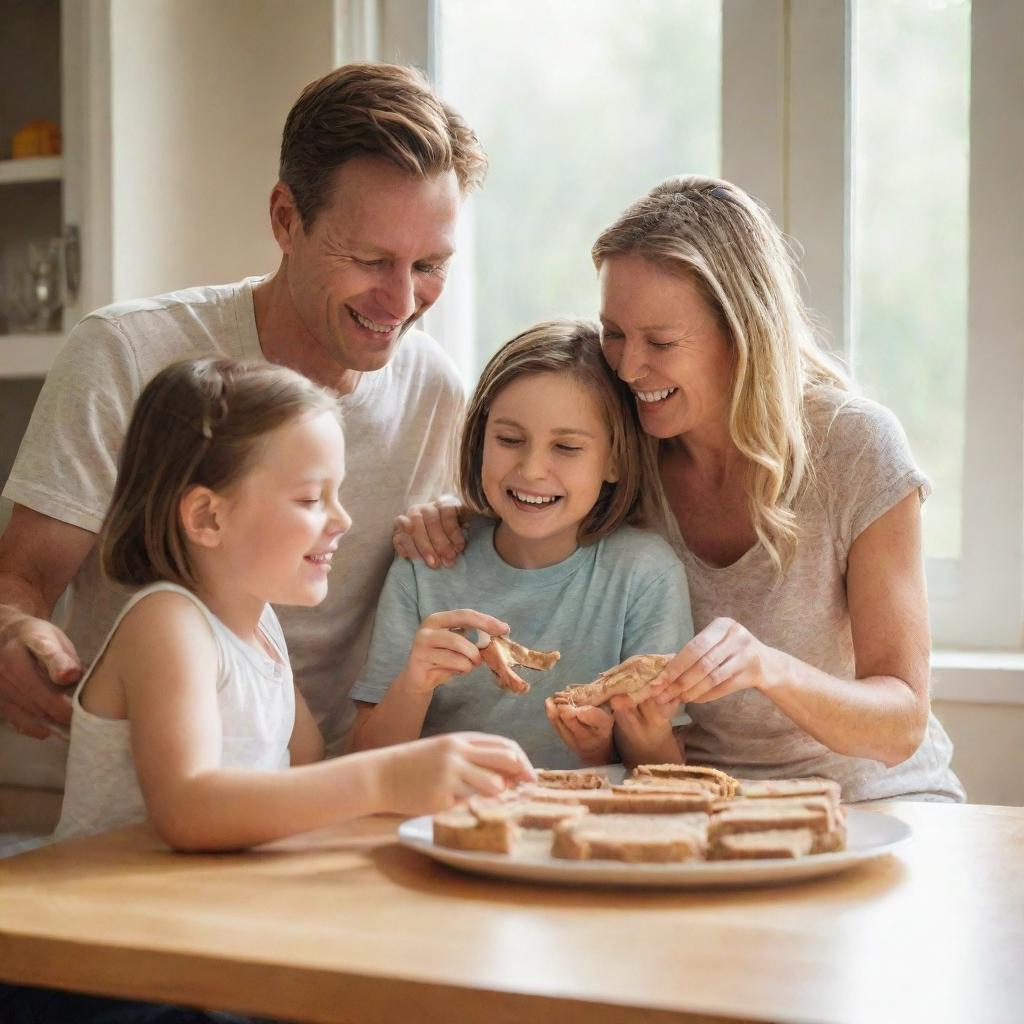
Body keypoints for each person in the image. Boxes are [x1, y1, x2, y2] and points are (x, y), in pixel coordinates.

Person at [396, 176, 964, 803]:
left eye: (661, 342)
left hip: (873, 799)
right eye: (614, 332)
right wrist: (461, 514)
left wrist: (769, 668)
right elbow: (534, 487)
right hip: (694, 800)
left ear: (742, 334)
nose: (629, 367)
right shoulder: (626, 445)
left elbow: (902, 724)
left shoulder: (855, 448)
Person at [0, 62, 483, 791]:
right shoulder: (127, 352)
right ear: (286, 219)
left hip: (301, 798)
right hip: (87, 801)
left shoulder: (437, 393)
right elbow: (21, 576)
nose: (401, 299)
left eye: (431, 265)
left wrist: (461, 524)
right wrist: (13, 632)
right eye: (372, 259)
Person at [54, 357, 532, 849]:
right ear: (208, 518)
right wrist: (386, 778)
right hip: (105, 912)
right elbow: (187, 809)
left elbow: (309, 774)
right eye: (310, 500)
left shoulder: (260, 625)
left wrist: (417, 712)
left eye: (337, 494)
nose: (342, 519)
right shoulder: (167, 625)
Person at [349, 319, 694, 769]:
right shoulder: (427, 564)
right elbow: (365, 763)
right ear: (480, 441)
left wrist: (598, 749)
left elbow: (667, 774)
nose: (531, 470)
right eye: (510, 440)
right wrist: (414, 684)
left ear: (613, 460)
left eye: (567, 447)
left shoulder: (645, 575)